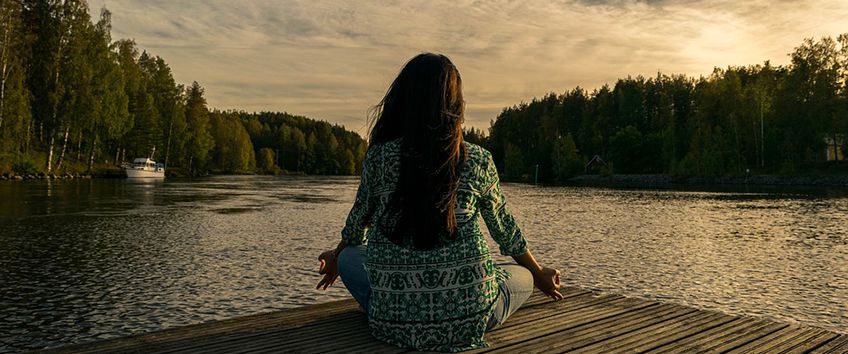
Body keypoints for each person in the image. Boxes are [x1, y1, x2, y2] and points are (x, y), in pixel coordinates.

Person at [316, 53, 562, 352]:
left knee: (350, 257)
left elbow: (357, 226)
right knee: (520, 274)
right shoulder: (477, 159)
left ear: (403, 100)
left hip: (393, 324)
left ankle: (389, 306)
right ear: (455, 105)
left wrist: (336, 254)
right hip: (471, 319)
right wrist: (539, 275)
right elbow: (505, 231)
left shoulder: (378, 157)